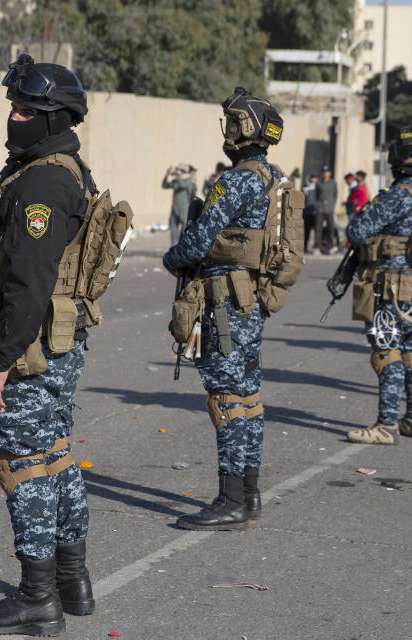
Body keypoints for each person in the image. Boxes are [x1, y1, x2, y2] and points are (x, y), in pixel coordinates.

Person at [0, 54, 107, 636]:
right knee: (57, 455)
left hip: (31, 345)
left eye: (26, 110)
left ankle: (36, 598)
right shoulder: (58, 166)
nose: (14, 118)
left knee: (24, 466)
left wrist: (0, 361)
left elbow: (30, 281)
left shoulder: (44, 180)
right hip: (56, 342)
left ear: (54, 117)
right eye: (13, 107)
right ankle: (72, 582)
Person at [163, 87, 295, 530]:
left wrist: (173, 257)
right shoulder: (272, 177)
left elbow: (197, 242)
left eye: (237, 122)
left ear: (253, 129)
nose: (231, 130)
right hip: (249, 300)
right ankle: (248, 494)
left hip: (223, 302)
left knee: (226, 399)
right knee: (248, 397)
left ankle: (231, 499)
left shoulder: (236, 179)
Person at [345, 127, 412, 444]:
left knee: (386, 352)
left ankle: (386, 425)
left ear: (395, 162)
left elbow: (357, 231)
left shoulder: (399, 194)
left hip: (390, 288)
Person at [163, 163, 196, 247]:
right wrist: (166, 175)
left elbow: (182, 185)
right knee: (173, 233)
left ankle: (186, 250)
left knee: (185, 232)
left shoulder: (189, 181)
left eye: (179, 170)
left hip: (184, 210)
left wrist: (177, 174)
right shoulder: (177, 181)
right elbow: (165, 185)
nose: (178, 172)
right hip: (174, 210)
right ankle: (173, 250)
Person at [315, 165, 338, 254]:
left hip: (330, 208)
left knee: (331, 228)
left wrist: (332, 204)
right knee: (318, 228)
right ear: (322, 173)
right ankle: (317, 246)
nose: (325, 173)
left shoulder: (333, 183)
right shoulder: (318, 183)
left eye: (327, 172)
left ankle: (330, 246)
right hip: (320, 208)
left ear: (330, 173)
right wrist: (318, 204)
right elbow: (317, 195)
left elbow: (335, 194)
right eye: (324, 172)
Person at [302, 171, 319, 253]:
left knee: (317, 231)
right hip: (307, 213)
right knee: (306, 232)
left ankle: (316, 248)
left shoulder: (319, 187)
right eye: (313, 177)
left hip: (316, 213)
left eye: (315, 178)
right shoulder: (305, 187)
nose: (314, 179)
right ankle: (305, 247)